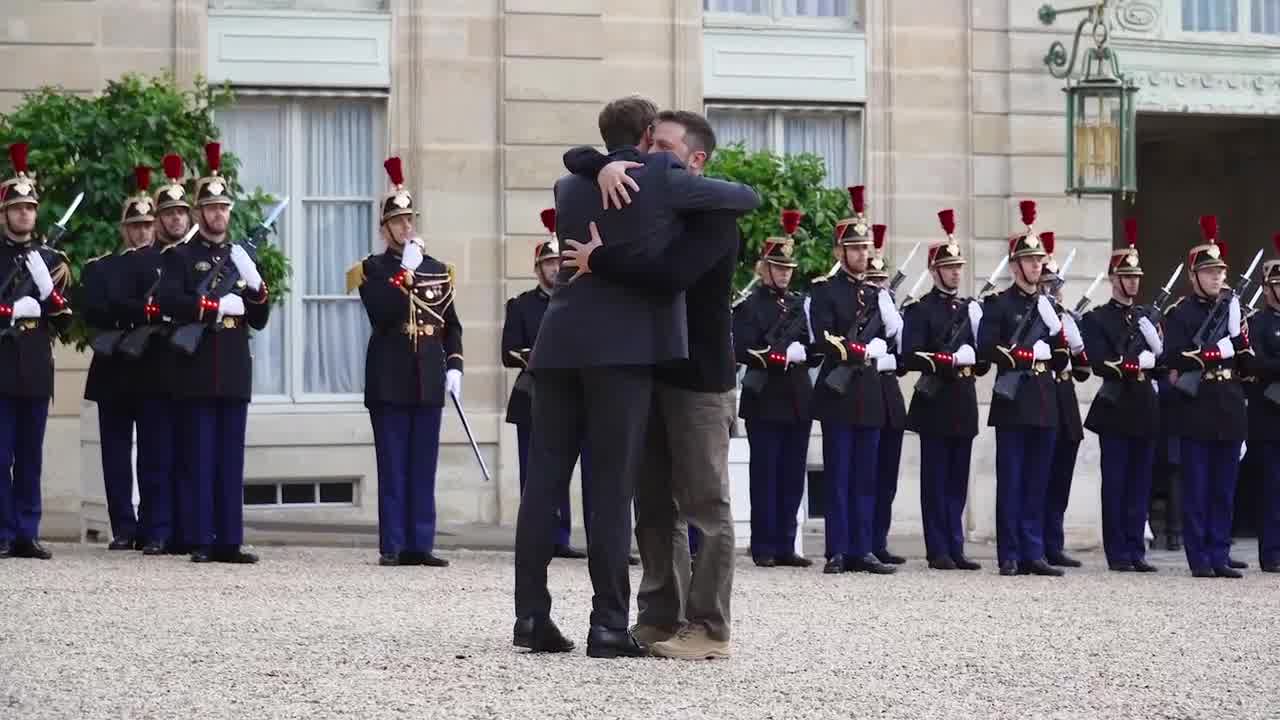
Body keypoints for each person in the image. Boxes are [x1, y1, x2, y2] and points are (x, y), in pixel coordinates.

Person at [512, 96, 759, 659]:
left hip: (619, 359)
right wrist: (600, 162)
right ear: (644, 135)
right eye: (655, 142)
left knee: (547, 487)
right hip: (628, 358)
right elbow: (744, 194)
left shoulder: (572, 186)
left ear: (693, 160)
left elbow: (674, 268)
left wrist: (596, 177)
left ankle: (534, 616)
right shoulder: (654, 180)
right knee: (620, 492)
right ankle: (614, 623)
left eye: (668, 148)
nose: (656, 153)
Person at [156, 142, 270, 565]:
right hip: (199, 368)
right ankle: (202, 537)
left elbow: (259, 318)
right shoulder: (181, 256)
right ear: (199, 213)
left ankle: (230, 540)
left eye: (223, 207)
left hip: (235, 368)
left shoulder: (240, 257)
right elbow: (169, 301)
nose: (218, 214)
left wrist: (256, 286)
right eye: (210, 207)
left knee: (230, 459)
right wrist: (212, 305)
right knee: (201, 458)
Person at [350, 157, 461, 569]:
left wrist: (455, 366)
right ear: (384, 228)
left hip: (427, 376)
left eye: (409, 219)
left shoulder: (437, 270)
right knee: (394, 463)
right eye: (396, 221)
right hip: (390, 375)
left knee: (422, 465)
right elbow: (383, 314)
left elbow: (452, 324)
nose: (405, 227)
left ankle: (421, 542)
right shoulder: (372, 270)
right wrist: (404, 275)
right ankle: (393, 544)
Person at [807, 186, 898, 576]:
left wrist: (889, 326)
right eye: (857, 249)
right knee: (840, 474)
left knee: (867, 476)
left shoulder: (877, 294)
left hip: (871, 394)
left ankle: (864, 548)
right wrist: (862, 351)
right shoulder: (825, 290)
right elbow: (823, 336)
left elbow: (895, 337)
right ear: (840, 253)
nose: (865, 255)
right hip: (839, 392)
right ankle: (838, 550)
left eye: (867, 249)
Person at [976, 200, 1066, 577]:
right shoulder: (999, 304)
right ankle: (1010, 554)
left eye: (1039, 261)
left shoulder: (1049, 306)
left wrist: (1057, 334)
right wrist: (1025, 354)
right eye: (1029, 261)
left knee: (1037, 482)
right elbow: (986, 348)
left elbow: (1062, 359)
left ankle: (1034, 552)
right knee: (1011, 480)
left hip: (1044, 401)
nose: (1036, 266)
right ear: (1014, 266)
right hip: (1014, 400)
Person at [1161, 216, 1249, 578]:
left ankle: (1219, 552)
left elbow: (1247, 357)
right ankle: (1200, 557)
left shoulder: (1231, 309)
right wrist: (1217, 350)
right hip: (1197, 406)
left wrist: (1239, 338)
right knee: (1198, 487)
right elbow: (1173, 357)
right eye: (1210, 272)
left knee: (1224, 488)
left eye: (1220, 272)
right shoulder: (1180, 313)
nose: (1218, 278)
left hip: (1228, 402)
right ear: (1194, 275)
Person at [901, 209, 985, 571]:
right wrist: (948, 359)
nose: (955, 272)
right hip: (935, 402)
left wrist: (976, 348)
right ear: (934, 271)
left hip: (963, 402)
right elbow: (911, 355)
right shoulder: (921, 310)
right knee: (935, 480)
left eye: (958, 267)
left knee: (957, 481)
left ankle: (956, 544)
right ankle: (937, 548)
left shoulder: (970, 310)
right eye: (949, 267)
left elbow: (982, 360)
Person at [501, 209, 587, 561]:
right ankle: (537, 536)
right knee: (533, 471)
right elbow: (509, 352)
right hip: (533, 393)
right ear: (538, 269)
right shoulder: (520, 306)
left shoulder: (577, 302)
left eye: (557, 263)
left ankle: (561, 535)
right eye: (548, 263)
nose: (554, 269)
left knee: (564, 468)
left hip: (569, 395)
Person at [0, 142, 72, 560]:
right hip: (3, 369)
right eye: (18, 207)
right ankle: (4, 531)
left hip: (35, 370)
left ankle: (27, 530)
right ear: (5, 212)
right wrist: (11, 309)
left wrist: (46, 290)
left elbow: (64, 321)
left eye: (30, 207)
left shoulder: (52, 259)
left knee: (30, 458)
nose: (25, 213)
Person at [118, 153, 192, 555]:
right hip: (152, 362)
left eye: (182, 212)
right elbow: (125, 304)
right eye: (169, 213)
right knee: (154, 455)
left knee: (187, 454)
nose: (176, 219)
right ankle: (156, 529)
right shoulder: (145, 260)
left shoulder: (195, 257)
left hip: (190, 364)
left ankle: (185, 529)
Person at [732, 211, 815, 569]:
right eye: (778, 267)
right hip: (765, 399)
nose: (784, 273)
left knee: (792, 474)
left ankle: (785, 543)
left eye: (788, 269)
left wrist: (805, 353)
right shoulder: (749, 307)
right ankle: (763, 544)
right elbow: (741, 349)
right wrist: (778, 357)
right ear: (762, 268)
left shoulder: (799, 305)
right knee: (765, 474)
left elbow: (815, 348)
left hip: (797, 399)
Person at [81, 166, 156, 551]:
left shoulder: (165, 263)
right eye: (136, 225)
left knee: (152, 453)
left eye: (147, 224)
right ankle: (123, 526)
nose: (142, 231)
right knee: (115, 453)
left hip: (150, 368)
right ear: (124, 229)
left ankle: (149, 524)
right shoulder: (102, 267)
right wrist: (137, 309)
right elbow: (95, 309)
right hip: (114, 368)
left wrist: (128, 309)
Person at [1080, 218, 1161, 573]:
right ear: (1114, 279)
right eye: (1126, 276)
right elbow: (1099, 363)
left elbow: (1163, 361)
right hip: (1116, 408)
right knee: (1115, 483)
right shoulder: (1098, 319)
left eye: (1137, 277)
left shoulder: (1146, 317)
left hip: (1144, 407)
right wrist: (1133, 362)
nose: (1133, 282)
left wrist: (1156, 349)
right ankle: (1117, 551)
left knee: (1140, 483)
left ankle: (1135, 549)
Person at [1038, 233, 1091, 570]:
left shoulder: (1064, 315)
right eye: (1048, 283)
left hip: (1066, 397)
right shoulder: (1035, 317)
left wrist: (1076, 343)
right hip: (1044, 397)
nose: (1053, 290)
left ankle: (1053, 542)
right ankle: (1037, 543)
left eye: (1056, 284)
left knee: (1061, 478)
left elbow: (1084, 369)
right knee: (1040, 476)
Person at [863, 226, 908, 567]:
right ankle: (864, 541)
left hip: (890, 396)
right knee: (869, 474)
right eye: (873, 281)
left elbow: (904, 357)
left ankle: (879, 539)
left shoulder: (890, 311)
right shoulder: (863, 312)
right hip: (867, 393)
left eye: (883, 281)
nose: (879, 286)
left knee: (887, 478)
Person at [1244, 234, 1280, 574]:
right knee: (1271, 490)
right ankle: (1271, 553)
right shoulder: (1257, 323)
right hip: (1269, 417)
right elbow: (1257, 363)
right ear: (1267, 288)